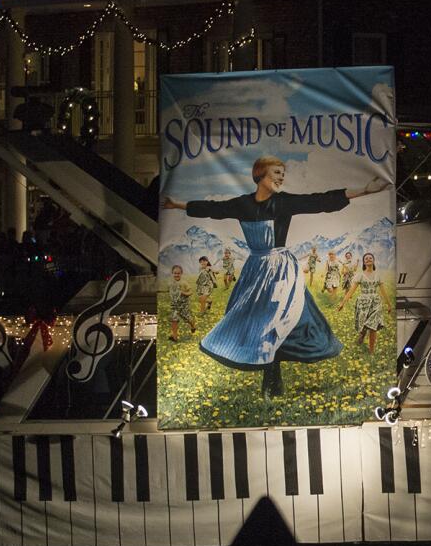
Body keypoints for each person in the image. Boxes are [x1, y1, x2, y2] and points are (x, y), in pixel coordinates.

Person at [162, 156, 388, 397]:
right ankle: (270, 373)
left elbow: (318, 201)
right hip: (255, 270)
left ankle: (272, 377)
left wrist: (364, 190)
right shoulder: (243, 204)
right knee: (255, 321)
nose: (281, 177)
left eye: (282, 173)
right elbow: (214, 209)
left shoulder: (284, 202)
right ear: (260, 175)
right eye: (276, 173)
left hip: (280, 270)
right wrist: (177, 205)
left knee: (282, 318)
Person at [337, 252, 390, 354]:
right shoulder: (360, 275)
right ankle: (362, 333)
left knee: (373, 326)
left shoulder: (378, 275)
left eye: (370, 258)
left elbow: (383, 291)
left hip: (376, 303)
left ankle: (371, 351)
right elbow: (351, 291)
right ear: (364, 262)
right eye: (366, 258)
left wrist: (389, 304)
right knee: (364, 324)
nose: (368, 259)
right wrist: (342, 303)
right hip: (363, 303)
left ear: (373, 261)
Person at [167, 265, 196, 342]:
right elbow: (170, 291)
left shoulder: (184, 283)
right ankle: (174, 337)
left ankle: (193, 325)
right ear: (172, 273)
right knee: (174, 319)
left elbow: (190, 292)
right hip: (174, 305)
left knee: (187, 318)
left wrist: (184, 293)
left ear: (181, 273)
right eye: (175, 273)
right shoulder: (170, 283)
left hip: (183, 305)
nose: (176, 275)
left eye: (178, 273)